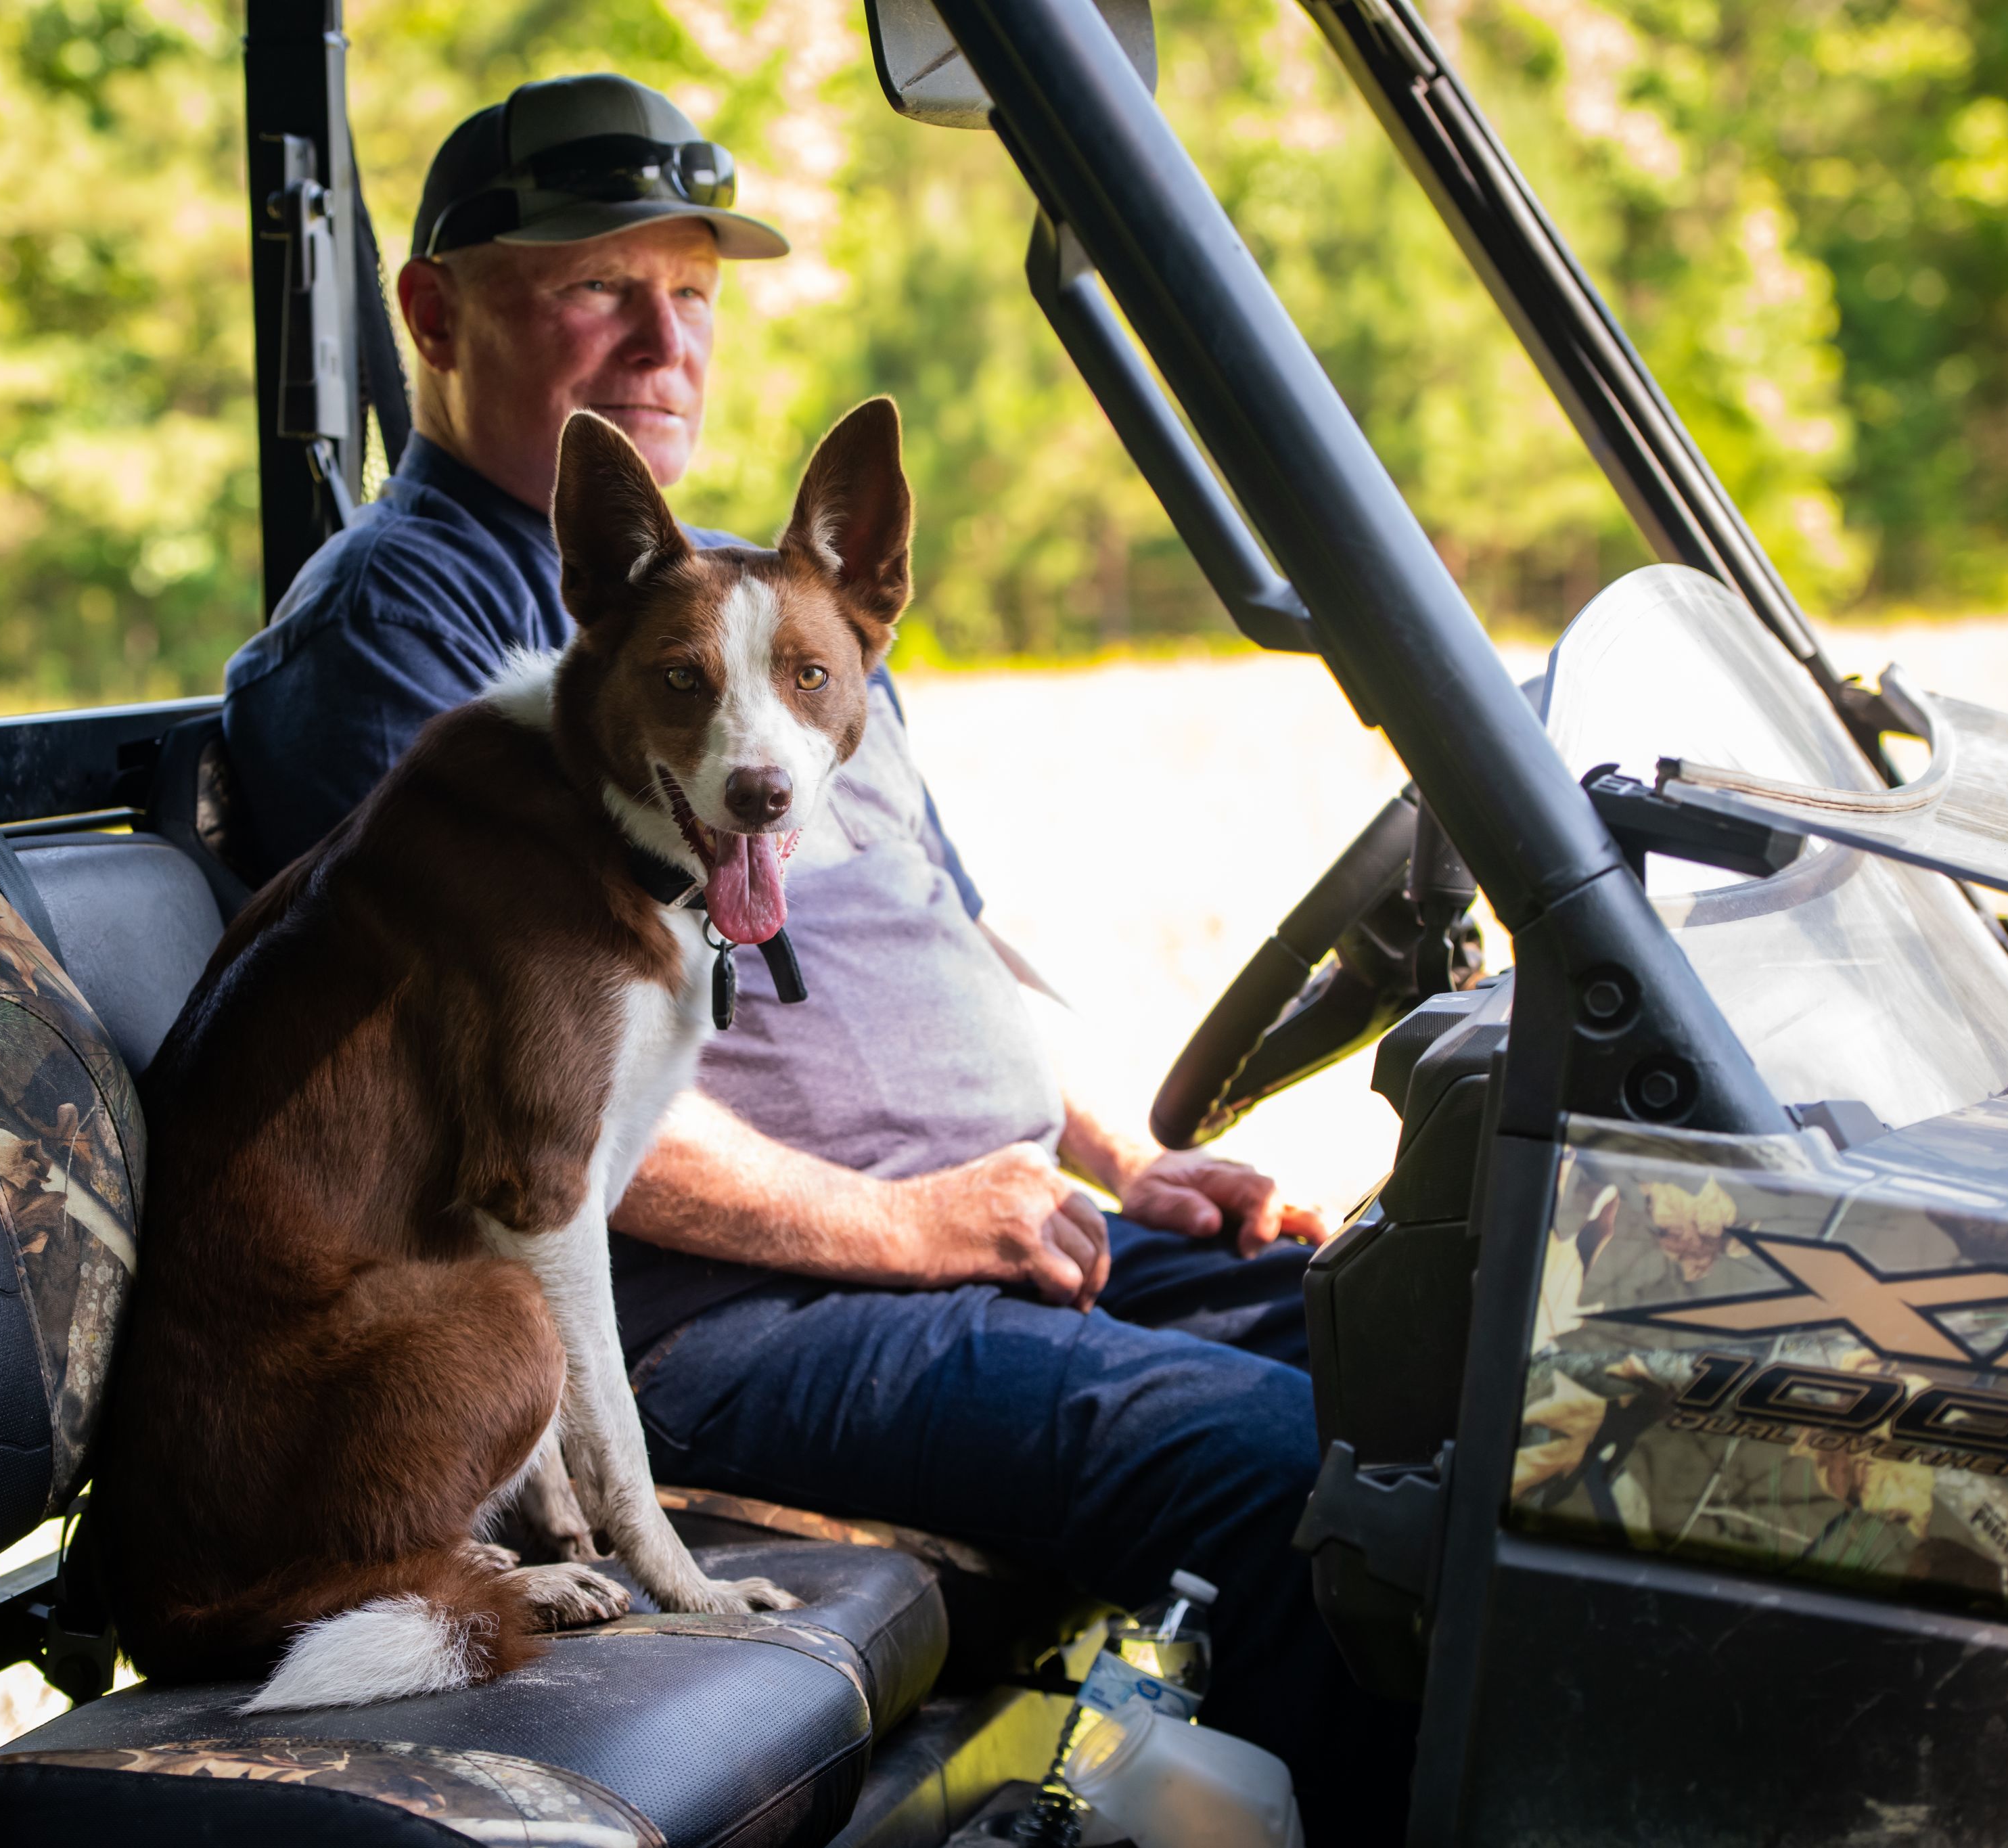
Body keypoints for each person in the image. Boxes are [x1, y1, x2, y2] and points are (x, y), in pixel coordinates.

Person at [219, 73, 1411, 1843]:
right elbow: (521, 1104)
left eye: (691, 292)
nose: (664, 340)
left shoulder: (763, 613)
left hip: (973, 1243)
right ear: (435, 313)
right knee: (1298, 1481)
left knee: (1424, 1379)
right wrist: (916, 1223)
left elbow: (944, 920)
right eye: (597, 287)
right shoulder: (409, 631)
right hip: (734, 1318)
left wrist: (1121, 1161)